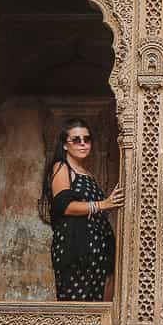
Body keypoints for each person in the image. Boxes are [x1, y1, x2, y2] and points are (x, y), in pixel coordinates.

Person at [39, 117, 123, 301]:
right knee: (76, 305)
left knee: (97, 306)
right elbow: (64, 207)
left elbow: (92, 210)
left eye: (87, 139)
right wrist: (103, 204)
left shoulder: (87, 174)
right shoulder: (61, 167)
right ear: (65, 145)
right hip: (75, 249)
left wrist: (111, 204)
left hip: (98, 249)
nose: (83, 144)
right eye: (76, 140)